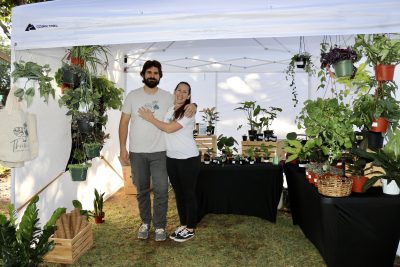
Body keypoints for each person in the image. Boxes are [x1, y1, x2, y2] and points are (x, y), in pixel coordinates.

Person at [119, 60, 197, 242]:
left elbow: (185, 103)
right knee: (142, 190)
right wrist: (122, 148)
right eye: (149, 72)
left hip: (161, 152)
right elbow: (123, 123)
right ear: (143, 75)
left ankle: (160, 226)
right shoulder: (132, 96)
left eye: (156, 72)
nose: (152, 75)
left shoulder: (167, 97)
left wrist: (195, 105)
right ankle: (145, 223)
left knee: (162, 189)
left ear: (160, 76)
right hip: (137, 152)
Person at [138, 81, 200, 242]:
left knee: (189, 194)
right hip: (172, 158)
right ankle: (184, 223)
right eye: (178, 90)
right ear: (175, 91)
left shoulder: (188, 111)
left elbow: (169, 128)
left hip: (188, 158)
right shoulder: (172, 108)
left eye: (185, 92)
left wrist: (150, 118)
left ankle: (191, 228)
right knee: (179, 194)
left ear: (189, 95)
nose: (180, 93)